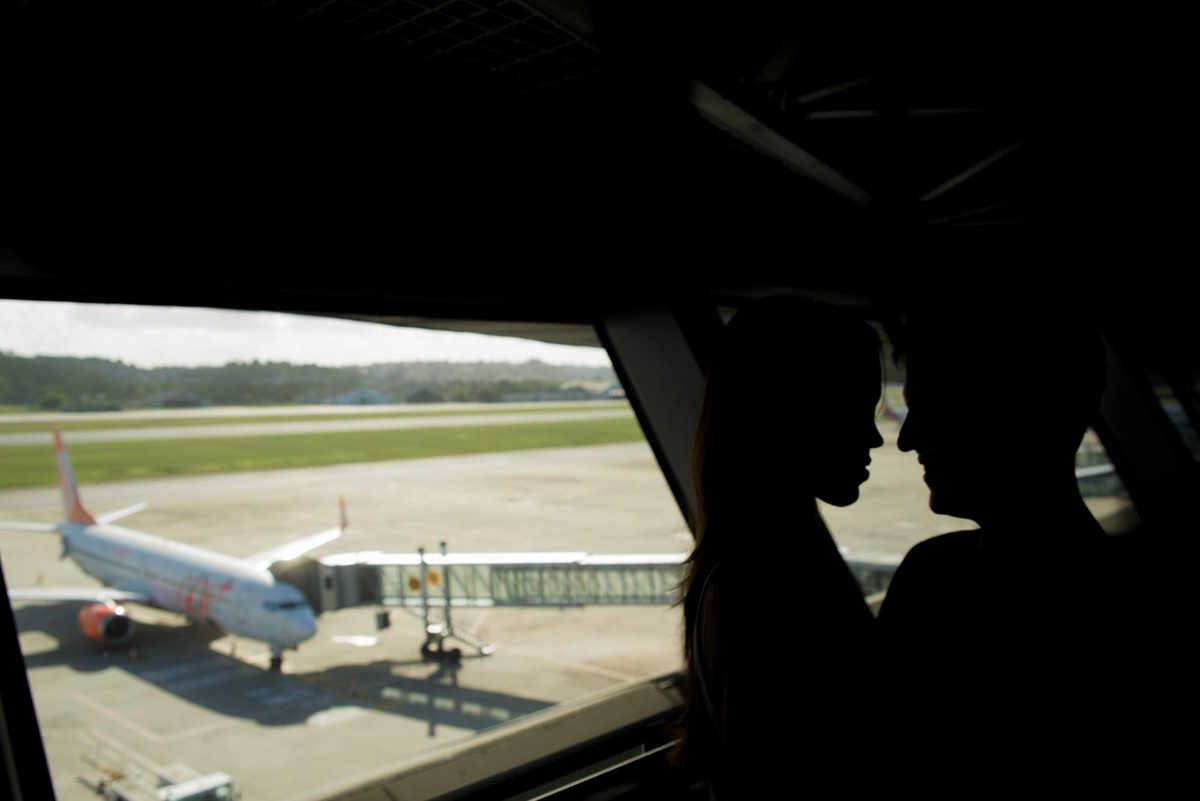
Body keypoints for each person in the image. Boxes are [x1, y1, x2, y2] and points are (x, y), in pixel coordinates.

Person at [875, 297, 1130, 787]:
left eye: (933, 409)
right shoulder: (1112, 605)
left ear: (1015, 416)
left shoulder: (930, 579)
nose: (906, 439)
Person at [673, 296, 882, 799]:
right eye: (852, 411)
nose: (876, 438)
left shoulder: (746, 571)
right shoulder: (766, 590)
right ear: (786, 416)